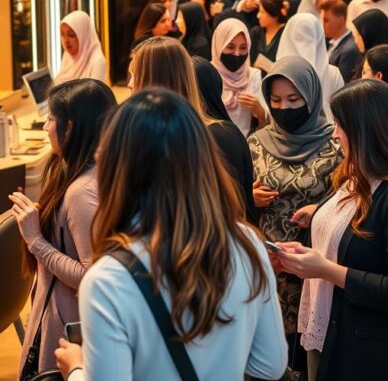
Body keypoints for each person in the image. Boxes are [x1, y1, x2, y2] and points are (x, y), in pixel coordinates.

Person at [57, 89, 287, 381]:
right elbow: (270, 364)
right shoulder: (246, 241)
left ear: (119, 170)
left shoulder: (108, 279)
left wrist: (76, 368)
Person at [278, 80, 388, 381]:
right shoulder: (356, 176)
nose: (334, 133)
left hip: (366, 352)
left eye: (340, 125)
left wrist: (325, 269)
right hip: (332, 331)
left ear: (364, 130)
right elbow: (345, 235)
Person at [11, 79, 116, 376]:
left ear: (70, 127)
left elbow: (91, 276)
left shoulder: (81, 192)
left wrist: (36, 240)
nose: (45, 127)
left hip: (69, 327)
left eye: (50, 119)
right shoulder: (86, 175)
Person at [249, 57, 344, 368]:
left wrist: (319, 208)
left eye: (293, 99)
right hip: (268, 268)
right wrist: (249, 198)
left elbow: (350, 198)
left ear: (311, 96)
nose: (284, 108)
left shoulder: (334, 144)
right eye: (275, 100)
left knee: (307, 359)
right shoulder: (256, 143)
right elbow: (232, 201)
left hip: (314, 269)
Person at [129, 37, 257, 221]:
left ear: (152, 82)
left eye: (134, 75)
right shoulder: (153, 138)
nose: (130, 84)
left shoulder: (215, 138)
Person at [277, 13, 346, 121]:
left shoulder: (333, 74)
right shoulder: (277, 76)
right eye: (299, 38)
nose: (304, 46)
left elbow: (341, 114)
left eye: (309, 39)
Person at [212, 18, 267, 135]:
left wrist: (260, 111)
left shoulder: (253, 75)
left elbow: (264, 123)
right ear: (219, 45)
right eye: (230, 47)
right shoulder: (208, 74)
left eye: (243, 48)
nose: (237, 54)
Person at [54, 10, 109, 85]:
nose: (66, 40)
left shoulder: (98, 62)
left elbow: (93, 95)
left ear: (83, 35)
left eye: (71, 34)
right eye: (62, 34)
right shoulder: (67, 55)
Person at [321, 0, 362, 83]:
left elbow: (342, 83)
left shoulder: (349, 50)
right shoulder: (331, 42)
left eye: (326, 20)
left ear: (341, 21)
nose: (323, 24)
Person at [251, 0, 287, 69]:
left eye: (262, 12)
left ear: (274, 14)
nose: (258, 16)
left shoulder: (286, 33)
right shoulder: (256, 32)